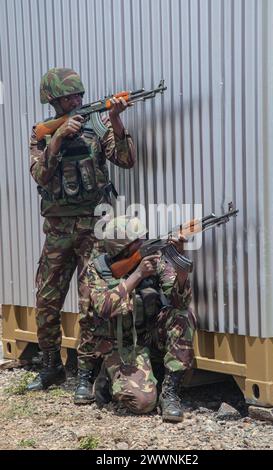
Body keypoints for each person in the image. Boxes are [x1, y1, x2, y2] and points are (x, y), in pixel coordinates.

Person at [27, 68, 136, 397]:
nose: (77, 101)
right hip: (58, 230)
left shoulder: (98, 125)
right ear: (54, 101)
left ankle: (86, 374)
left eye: (79, 96)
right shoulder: (43, 133)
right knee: (46, 300)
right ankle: (51, 366)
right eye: (70, 97)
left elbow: (127, 159)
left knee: (91, 301)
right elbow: (40, 175)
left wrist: (116, 121)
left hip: (93, 228)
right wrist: (58, 138)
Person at [79, 216, 196, 422]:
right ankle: (107, 376)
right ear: (121, 248)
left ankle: (170, 393)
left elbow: (180, 302)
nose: (143, 243)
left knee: (181, 316)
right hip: (120, 345)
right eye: (137, 241)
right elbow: (104, 307)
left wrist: (180, 266)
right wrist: (138, 275)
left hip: (150, 335)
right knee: (142, 404)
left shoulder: (155, 260)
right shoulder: (97, 270)